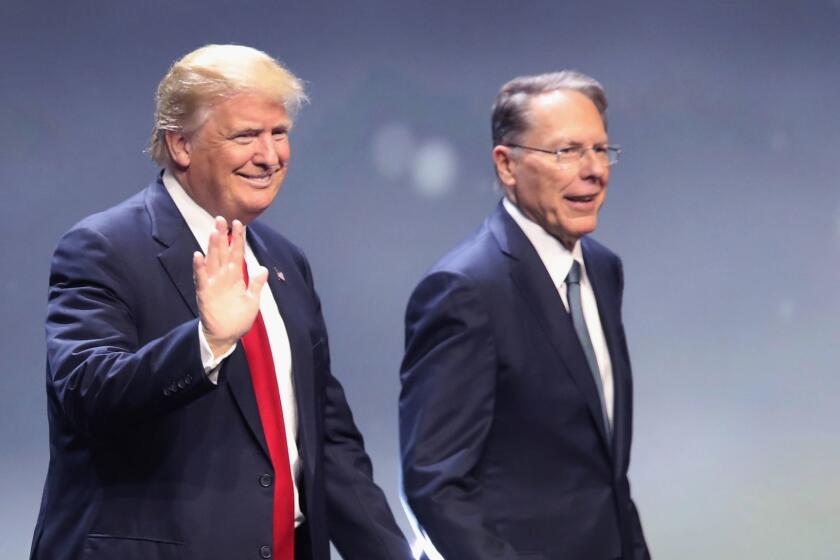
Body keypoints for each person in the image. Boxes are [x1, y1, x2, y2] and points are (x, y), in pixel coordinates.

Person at [31, 44, 412, 560]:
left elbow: (326, 442)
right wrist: (206, 342)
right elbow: (86, 394)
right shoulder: (103, 248)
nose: (270, 155)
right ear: (181, 145)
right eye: (246, 135)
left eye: (279, 133)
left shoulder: (283, 261)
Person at [399, 71, 650, 560]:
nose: (594, 169)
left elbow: (603, 474)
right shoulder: (466, 289)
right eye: (567, 152)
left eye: (601, 150)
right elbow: (435, 485)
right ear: (507, 165)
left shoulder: (602, 269)